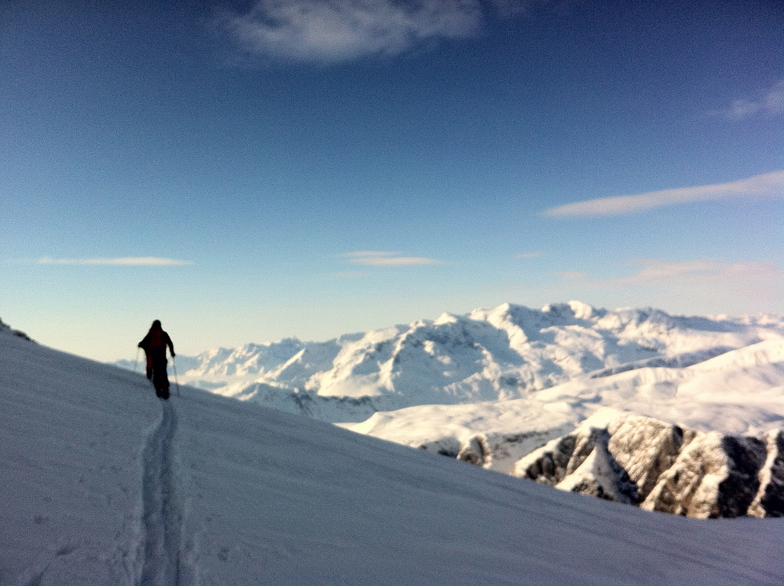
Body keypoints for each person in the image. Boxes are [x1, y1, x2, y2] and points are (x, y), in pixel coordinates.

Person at [138, 320, 175, 400]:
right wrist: (172, 352)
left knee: (156, 373)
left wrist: (140, 344)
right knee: (163, 373)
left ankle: (158, 389)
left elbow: (144, 342)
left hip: (154, 357)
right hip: (162, 357)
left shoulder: (150, 334)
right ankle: (165, 389)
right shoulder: (163, 334)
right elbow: (170, 343)